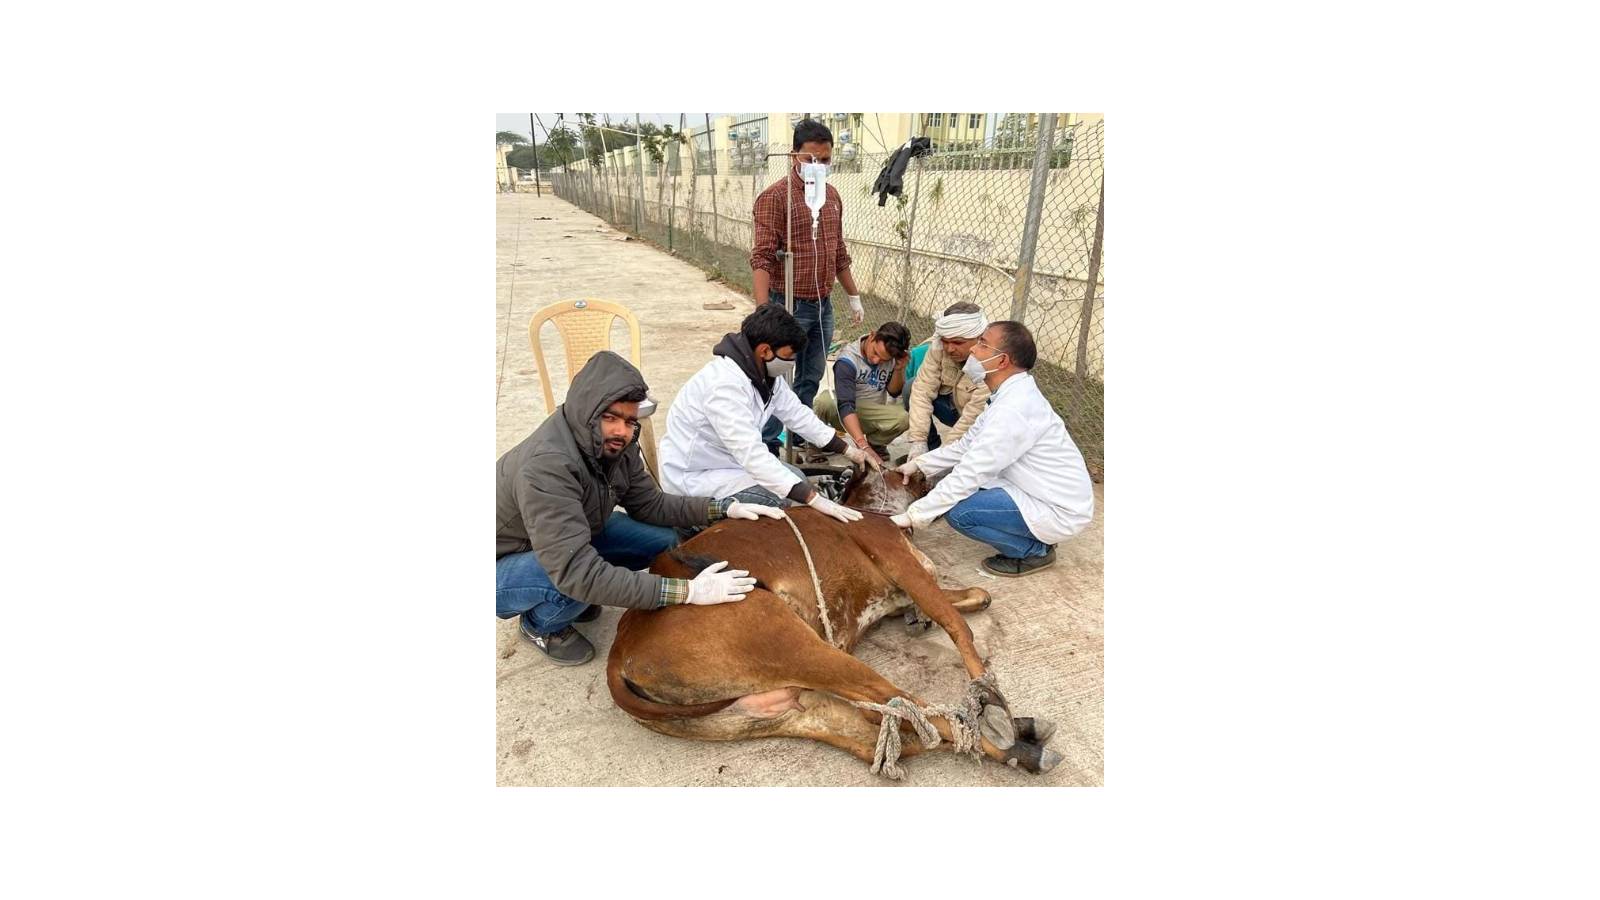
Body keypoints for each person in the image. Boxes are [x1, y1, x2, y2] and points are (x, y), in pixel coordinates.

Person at [496, 351, 786, 665]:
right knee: (574, 585)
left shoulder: (614, 445)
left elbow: (651, 503)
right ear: (586, 410)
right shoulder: (547, 467)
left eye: (630, 420)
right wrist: (687, 592)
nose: (622, 430)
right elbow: (576, 572)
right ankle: (539, 625)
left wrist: (722, 508)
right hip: (503, 562)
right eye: (610, 417)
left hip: (569, 533)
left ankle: (572, 598)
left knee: (665, 542)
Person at [891, 321, 1093, 577]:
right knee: (967, 489)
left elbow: (971, 471)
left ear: (1001, 361)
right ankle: (1033, 536)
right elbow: (966, 445)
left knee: (960, 512)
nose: (974, 350)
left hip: (1059, 508)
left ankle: (1032, 551)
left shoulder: (1013, 409)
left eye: (983, 344)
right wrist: (920, 464)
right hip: (1042, 490)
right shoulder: (1007, 395)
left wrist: (913, 515)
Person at [659, 304, 875, 520]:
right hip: (695, 477)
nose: (792, 363)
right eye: (789, 355)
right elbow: (751, 453)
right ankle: (695, 528)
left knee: (797, 478)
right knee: (780, 502)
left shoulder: (763, 376)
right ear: (765, 351)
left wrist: (849, 451)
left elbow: (797, 414)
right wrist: (813, 499)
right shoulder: (723, 386)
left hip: (726, 464)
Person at [750, 118, 864, 454]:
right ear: (793, 156)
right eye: (810, 159)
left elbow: (837, 251)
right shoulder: (775, 199)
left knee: (810, 376)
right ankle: (767, 445)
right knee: (775, 380)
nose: (818, 166)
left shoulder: (831, 197)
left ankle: (797, 436)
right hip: (788, 305)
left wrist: (853, 297)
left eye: (825, 160)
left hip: (821, 305)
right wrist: (764, 311)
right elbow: (762, 257)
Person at [813, 321, 912, 465]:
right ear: (872, 336)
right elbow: (845, 404)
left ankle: (876, 444)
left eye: (884, 359)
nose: (876, 360)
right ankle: (817, 442)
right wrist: (861, 445)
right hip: (843, 413)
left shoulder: (891, 356)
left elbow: (894, 392)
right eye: (875, 353)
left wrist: (898, 369)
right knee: (824, 401)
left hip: (871, 413)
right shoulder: (847, 359)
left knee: (905, 418)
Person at [904, 302, 992, 460]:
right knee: (911, 387)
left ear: (979, 338)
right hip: (951, 408)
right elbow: (922, 390)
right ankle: (929, 450)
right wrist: (919, 441)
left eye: (958, 343)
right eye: (945, 341)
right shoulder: (938, 348)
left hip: (980, 422)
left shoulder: (991, 360)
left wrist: (943, 458)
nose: (950, 349)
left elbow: (973, 418)